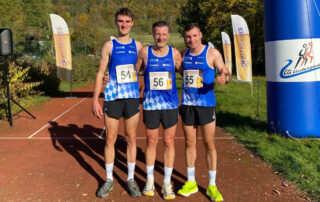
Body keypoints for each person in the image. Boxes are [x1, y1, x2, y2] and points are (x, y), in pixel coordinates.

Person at [91, 7, 142, 198]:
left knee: (131, 138)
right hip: (112, 96)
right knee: (110, 138)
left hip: (131, 98)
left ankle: (130, 179)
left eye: (127, 21)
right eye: (121, 21)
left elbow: (143, 69)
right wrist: (95, 99)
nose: (124, 25)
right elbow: (99, 73)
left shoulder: (138, 47)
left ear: (132, 23)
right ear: (116, 22)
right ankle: (109, 179)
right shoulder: (109, 46)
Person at [177, 23, 228, 202]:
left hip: (206, 105)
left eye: (195, 36)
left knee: (209, 143)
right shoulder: (183, 54)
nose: (191, 40)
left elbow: (224, 70)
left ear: (201, 35)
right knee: (190, 142)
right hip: (187, 105)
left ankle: (212, 185)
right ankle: (191, 182)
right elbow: (177, 70)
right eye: (188, 37)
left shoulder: (212, 53)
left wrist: (224, 76)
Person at [136, 21, 182, 200]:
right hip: (151, 105)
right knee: (151, 140)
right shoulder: (145, 52)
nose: (160, 37)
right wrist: (111, 78)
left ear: (168, 35)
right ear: (152, 34)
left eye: (163, 34)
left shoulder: (175, 54)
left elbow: (187, 73)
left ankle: (166, 183)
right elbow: (134, 71)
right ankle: (149, 180)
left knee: (169, 142)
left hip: (170, 105)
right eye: (157, 34)